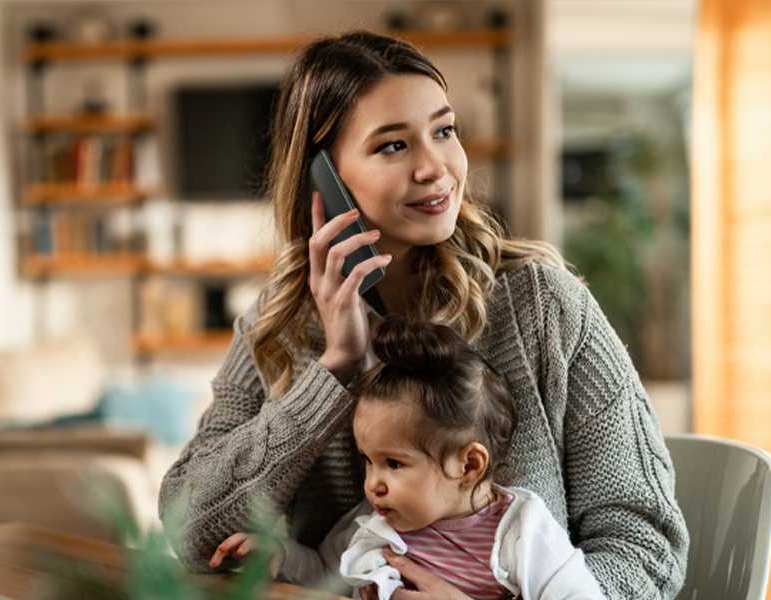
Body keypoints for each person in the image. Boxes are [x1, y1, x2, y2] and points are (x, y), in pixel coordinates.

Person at [158, 29, 689, 599]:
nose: (435, 168)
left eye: (443, 131)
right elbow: (191, 531)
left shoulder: (542, 304)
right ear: (325, 181)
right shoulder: (279, 326)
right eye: (393, 145)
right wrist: (335, 372)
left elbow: (646, 544)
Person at [211, 319, 606, 600]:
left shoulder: (522, 531)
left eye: (394, 464)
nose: (372, 483)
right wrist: (279, 556)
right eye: (368, 460)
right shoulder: (375, 521)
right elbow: (325, 574)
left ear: (468, 465)